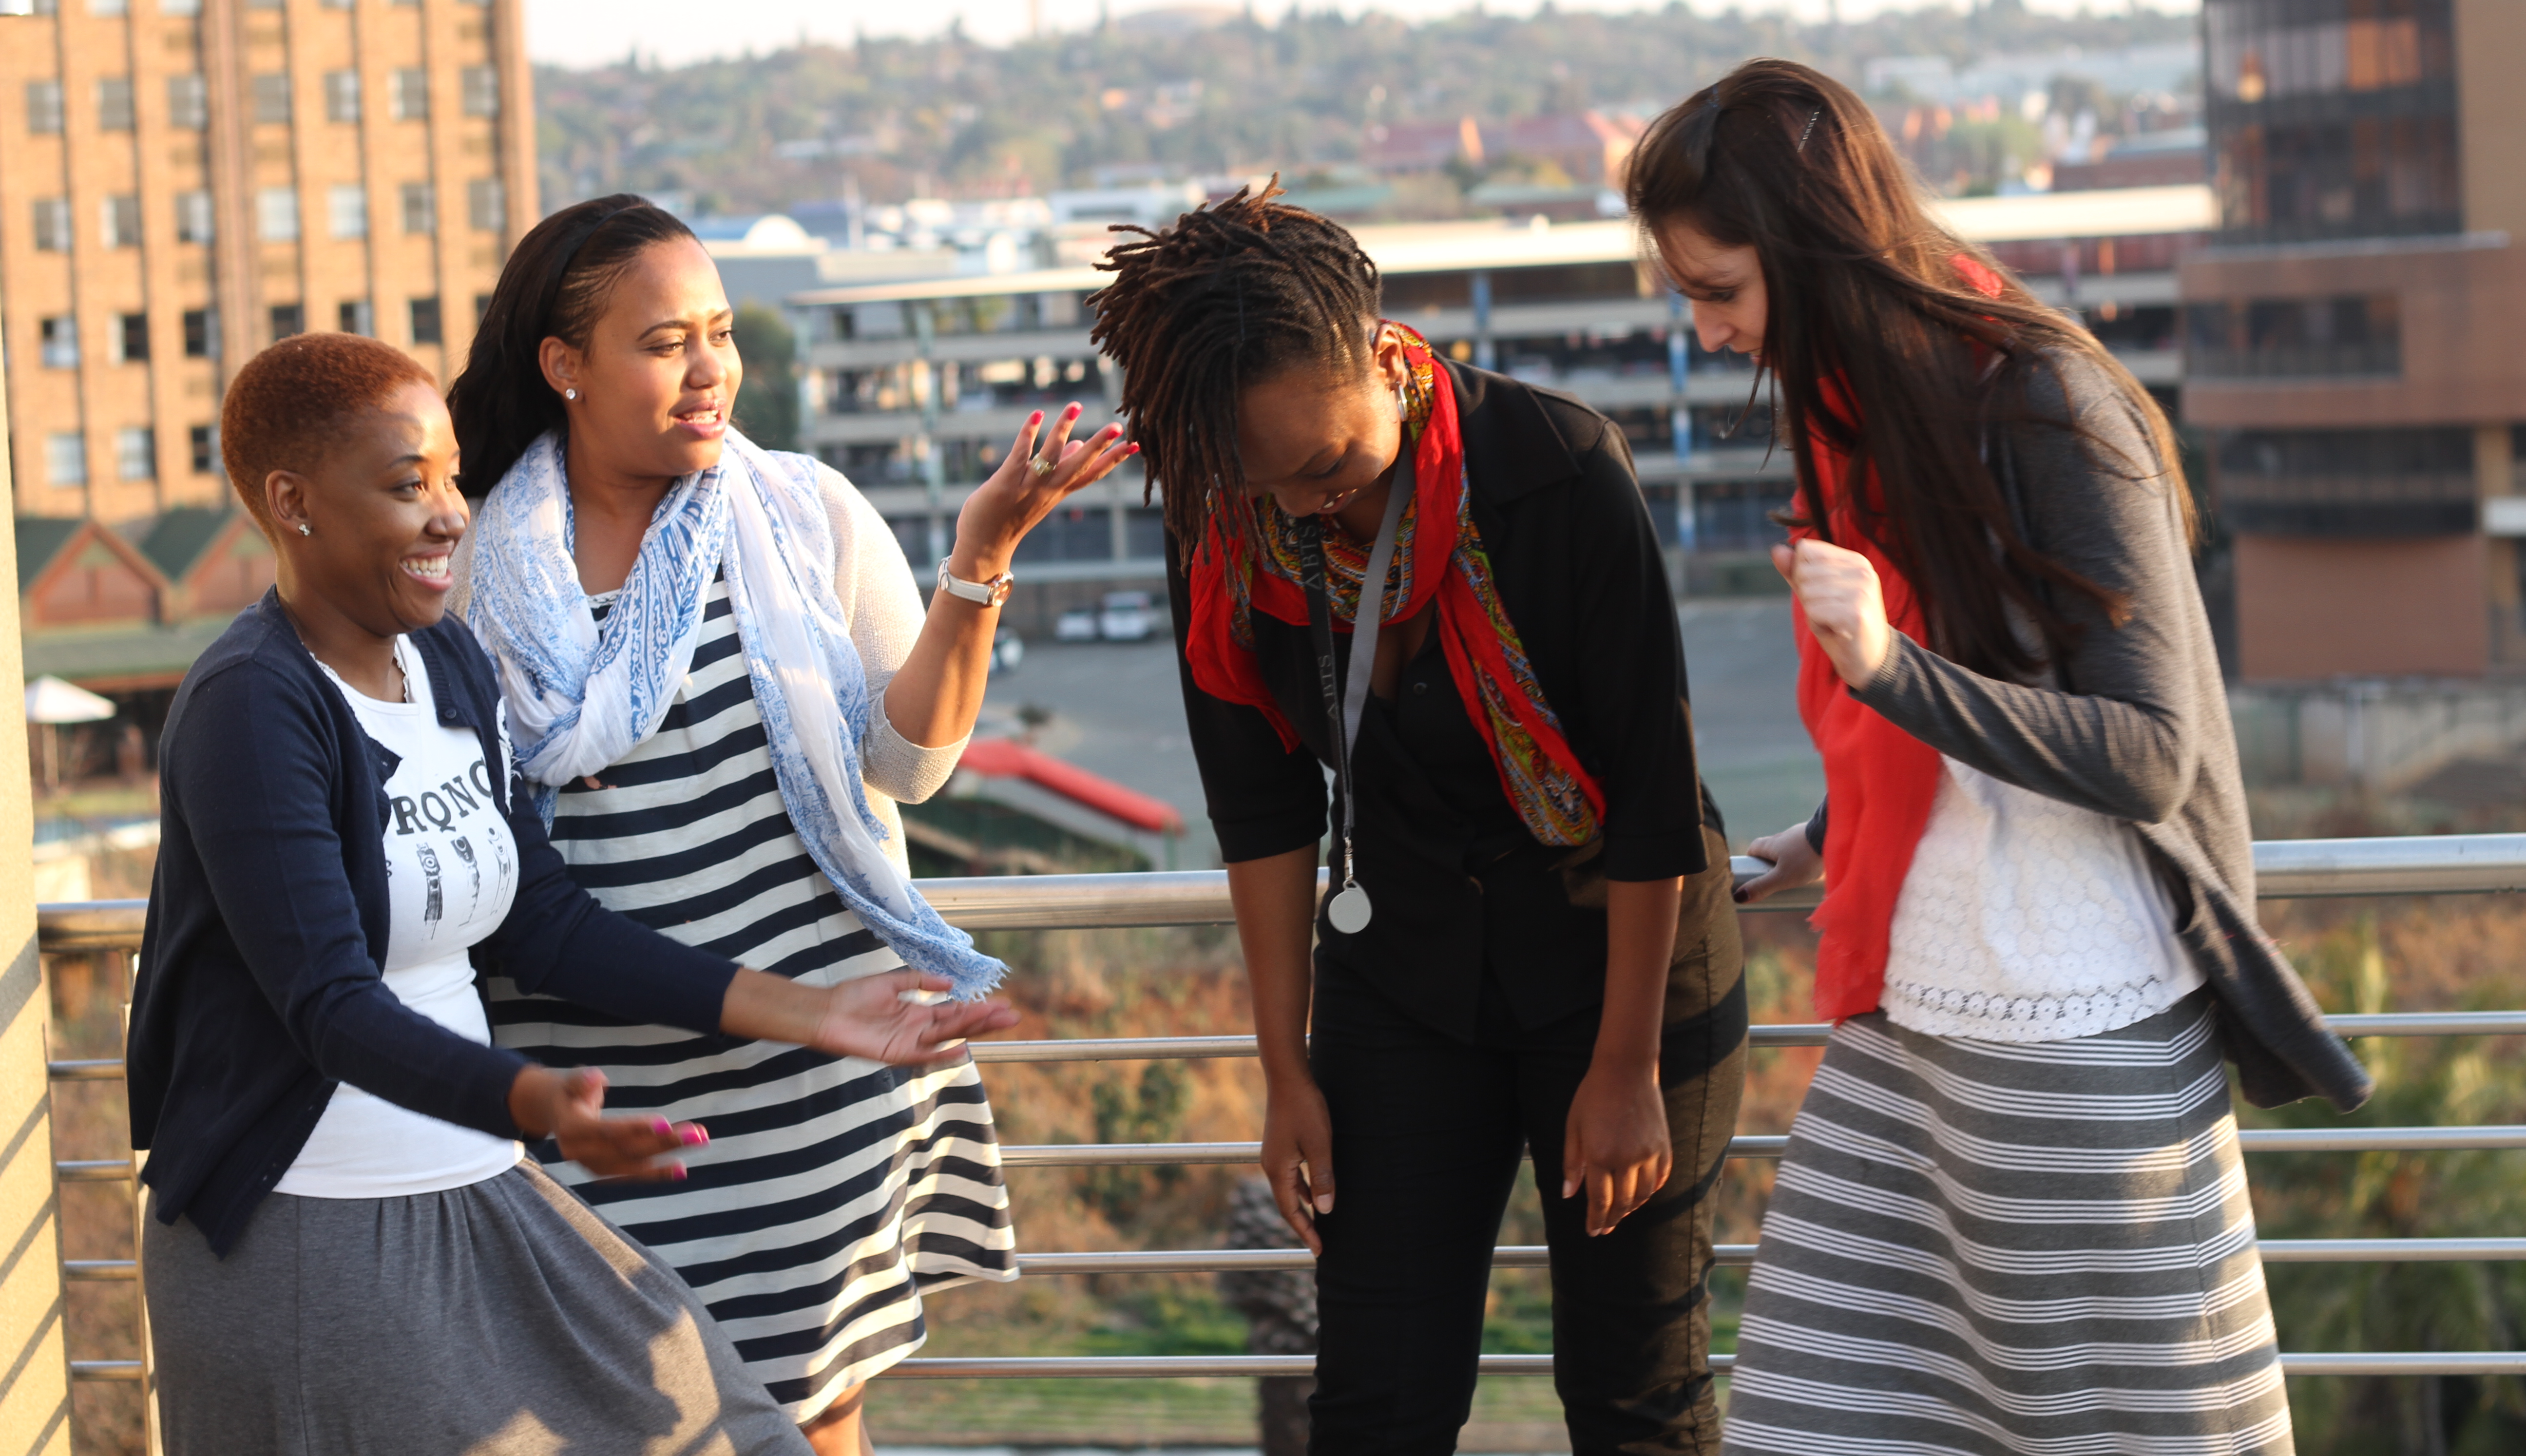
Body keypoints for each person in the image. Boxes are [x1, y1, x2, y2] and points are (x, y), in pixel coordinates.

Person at [1626, 59, 2372, 1455]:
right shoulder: (1869, 411)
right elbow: (1966, 724)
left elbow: (2149, 754)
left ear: (1812, 248)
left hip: (2072, 1030)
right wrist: (1831, 835)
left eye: (1719, 289)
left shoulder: (2044, 400)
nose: (1707, 328)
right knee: (1820, 1420)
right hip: (1925, 1008)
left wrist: (1887, 670)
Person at [129, 334, 1017, 1456]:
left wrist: (816, 1011)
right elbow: (328, 1005)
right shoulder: (252, 705)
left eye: (451, 478)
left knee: (742, 1435)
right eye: (408, 487)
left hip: (481, 1183)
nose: (451, 516)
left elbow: (541, 923)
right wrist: (536, 1099)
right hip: (310, 1226)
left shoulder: (444, 664)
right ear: (292, 503)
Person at [447, 194, 1134, 1451]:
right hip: (598, 1091)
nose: (711, 369)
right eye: (665, 343)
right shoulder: (470, 572)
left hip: (819, 1070)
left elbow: (909, 764)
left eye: (719, 332)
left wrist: (981, 558)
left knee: (814, 1419)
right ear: (563, 365)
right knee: (611, 1422)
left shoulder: (803, 511)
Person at [1091, 182, 1747, 1455]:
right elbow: (1262, 811)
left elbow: (1653, 799)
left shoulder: (1556, 470)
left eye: (1327, 467)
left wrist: (1624, 1071)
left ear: (1382, 358)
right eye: (1265, 483)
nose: (1301, 508)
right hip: (1401, 963)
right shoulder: (1221, 510)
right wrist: (1285, 1071)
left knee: (1634, 1394)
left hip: (1617, 957)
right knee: (1376, 1399)